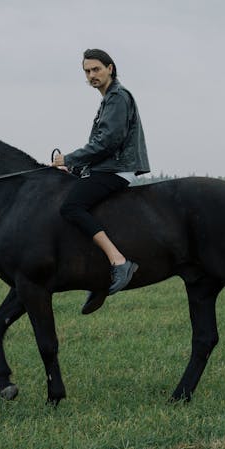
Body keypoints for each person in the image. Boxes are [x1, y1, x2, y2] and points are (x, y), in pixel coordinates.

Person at [52, 48, 150, 314]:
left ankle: (119, 262)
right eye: (87, 71)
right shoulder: (108, 99)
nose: (92, 75)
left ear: (110, 68)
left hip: (118, 169)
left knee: (71, 207)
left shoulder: (117, 97)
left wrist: (69, 159)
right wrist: (74, 170)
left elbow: (107, 142)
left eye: (96, 69)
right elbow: (100, 145)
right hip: (108, 167)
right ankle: (97, 276)